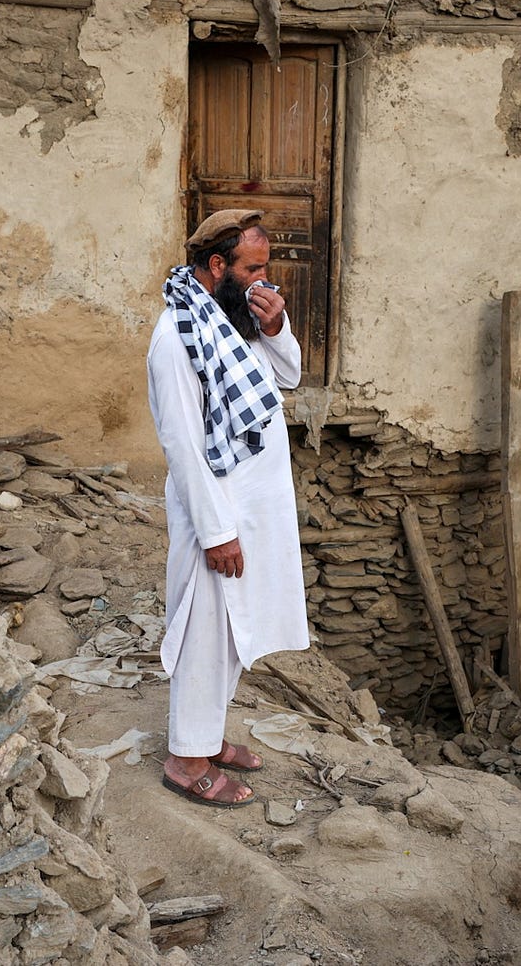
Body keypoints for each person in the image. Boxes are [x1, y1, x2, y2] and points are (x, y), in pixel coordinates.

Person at [146, 208, 309, 808]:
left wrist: (278, 325)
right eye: (254, 269)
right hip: (216, 515)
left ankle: (206, 739)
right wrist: (217, 532)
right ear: (218, 266)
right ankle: (186, 761)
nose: (266, 283)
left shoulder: (231, 324)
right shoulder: (177, 338)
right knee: (206, 630)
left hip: (253, 511)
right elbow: (184, 447)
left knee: (234, 630)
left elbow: (286, 375)